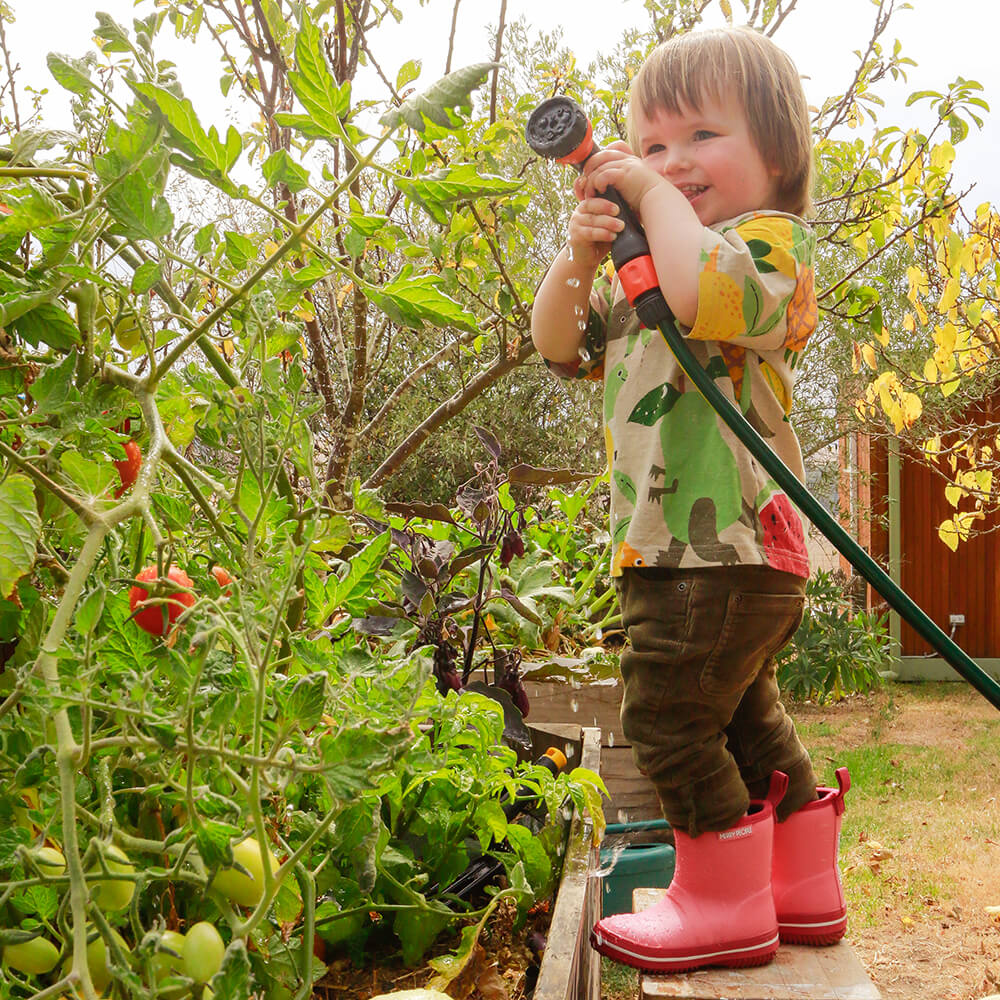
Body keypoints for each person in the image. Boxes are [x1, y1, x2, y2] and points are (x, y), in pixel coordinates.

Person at [531, 26, 850, 973]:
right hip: (676, 550)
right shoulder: (646, 260)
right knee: (745, 717)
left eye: (700, 138)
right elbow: (558, 348)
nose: (669, 163)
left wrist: (653, 197)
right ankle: (798, 886)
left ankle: (719, 903)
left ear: (778, 158)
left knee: (666, 719)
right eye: (652, 143)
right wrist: (579, 260)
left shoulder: (768, 250)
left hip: (722, 549)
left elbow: (703, 287)